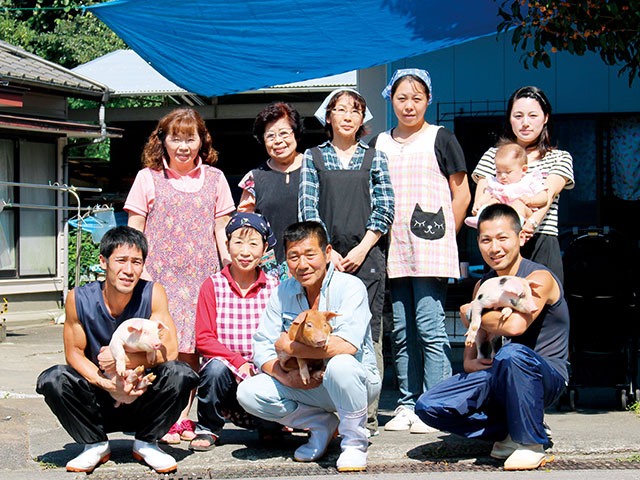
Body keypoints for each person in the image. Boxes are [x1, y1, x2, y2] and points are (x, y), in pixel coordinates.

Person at [415, 204, 569, 471]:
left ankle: (531, 442)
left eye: (502, 238)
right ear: (478, 243)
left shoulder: (538, 278)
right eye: (486, 240)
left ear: (520, 238)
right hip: (497, 375)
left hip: (545, 376)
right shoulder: (482, 284)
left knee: (512, 354)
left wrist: (472, 313)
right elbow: (471, 354)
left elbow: (515, 326)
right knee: (428, 406)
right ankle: (513, 426)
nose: (494, 248)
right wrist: (470, 361)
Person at [36, 226, 198, 474]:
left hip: (144, 394)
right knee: (53, 378)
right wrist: (111, 385)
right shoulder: (78, 299)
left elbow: (171, 350)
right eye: (121, 260)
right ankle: (94, 443)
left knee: (182, 373)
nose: (129, 270)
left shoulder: (153, 293)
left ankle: (147, 442)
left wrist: (126, 359)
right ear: (103, 262)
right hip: (99, 397)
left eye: (137, 262)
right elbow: (74, 354)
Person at [125, 108, 235, 442]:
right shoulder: (148, 177)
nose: (183, 145)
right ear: (163, 141)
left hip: (202, 278)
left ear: (202, 140)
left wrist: (231, 267)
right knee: (158, 347)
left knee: (192, 350)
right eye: (176, 137)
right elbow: (135, 228)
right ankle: (160, 414)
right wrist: (136, 270)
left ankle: (183, 417)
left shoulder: (215, 179)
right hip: (159, 278)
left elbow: (221, 229)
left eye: (191, 137)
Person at [237, 221, 381, 472]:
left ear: (327, 253)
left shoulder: (350, 287)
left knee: (341, 365)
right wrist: (284, 375)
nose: (302, 264)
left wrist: (290, 347)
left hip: (354, 383)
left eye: (310, 254)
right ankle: (320, 424)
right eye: (294, 256)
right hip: (305, 383)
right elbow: (262, 347)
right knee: (248, 392)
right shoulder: (282, 292)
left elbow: (345, 345)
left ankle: (355, 443)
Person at [373, 68, 470, 433]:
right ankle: (407, 404)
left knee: (430, 325)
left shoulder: (441, 138)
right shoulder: (380, 142)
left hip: (430, 248)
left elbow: (462, 194)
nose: (409, 105)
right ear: (391, 101)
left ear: (428, 99)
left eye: (417, 98)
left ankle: (437, 403)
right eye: (402, 98)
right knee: (401, 329)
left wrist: (446, 236)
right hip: (393, 249)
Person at [298, 88, 394, 436]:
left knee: (369, 333)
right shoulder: (313, 157)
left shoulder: (375, 157)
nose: (347, 116)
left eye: (355, 110)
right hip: (325, 258)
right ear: (329, 117)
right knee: (326, 332)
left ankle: (367, 416)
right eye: (340, 109)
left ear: (362, 118)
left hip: (367, 255)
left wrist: (364, 247)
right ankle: (332, 414)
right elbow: (308, 209)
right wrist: (328, 254)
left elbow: (385, 208)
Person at [190, 212, 280, 451]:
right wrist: (237, 361)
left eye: (253, 244)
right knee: (214, 369)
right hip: (227, 373)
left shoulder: (274, 286)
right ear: (227, 245)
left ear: (264, 249)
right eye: (238, 242)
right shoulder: (213, 284)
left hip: (263, 370)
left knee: (275, 389)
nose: (245, 251)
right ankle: (208, 427)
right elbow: (204, 339)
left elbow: (281, 332)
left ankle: (270, 425)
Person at [472, 86, 574, 283]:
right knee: (498, 307)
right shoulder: (492, 156)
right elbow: (482, 197)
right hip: (500, 244)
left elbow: (549, 194)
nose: (525, 123)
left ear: (545, 118)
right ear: (509, 118)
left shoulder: (560, 158)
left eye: (533, 115)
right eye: (518, 116)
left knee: (541, 306)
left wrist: (529, 226)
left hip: (541, 238)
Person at [238, 102, 305, 280]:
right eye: (270, 136)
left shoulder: (315, 169)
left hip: (310, 264)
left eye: (284, 133)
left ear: (296, 134)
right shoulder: (254, 178)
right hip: (269, 270)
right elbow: (244, 227)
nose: (278, 141)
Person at [465, 142, 547, 228]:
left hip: (523, 211)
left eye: (508, 172)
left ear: (523, 169)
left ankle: (516, 223)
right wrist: (480, 202)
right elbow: (488, 194)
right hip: (501, 212)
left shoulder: (529, 180)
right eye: (498, 172)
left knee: (518, 204)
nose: (502, 176)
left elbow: (544, 197)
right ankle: (481, 218)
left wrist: (531, 200)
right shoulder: (496, 183)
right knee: (492, 202)